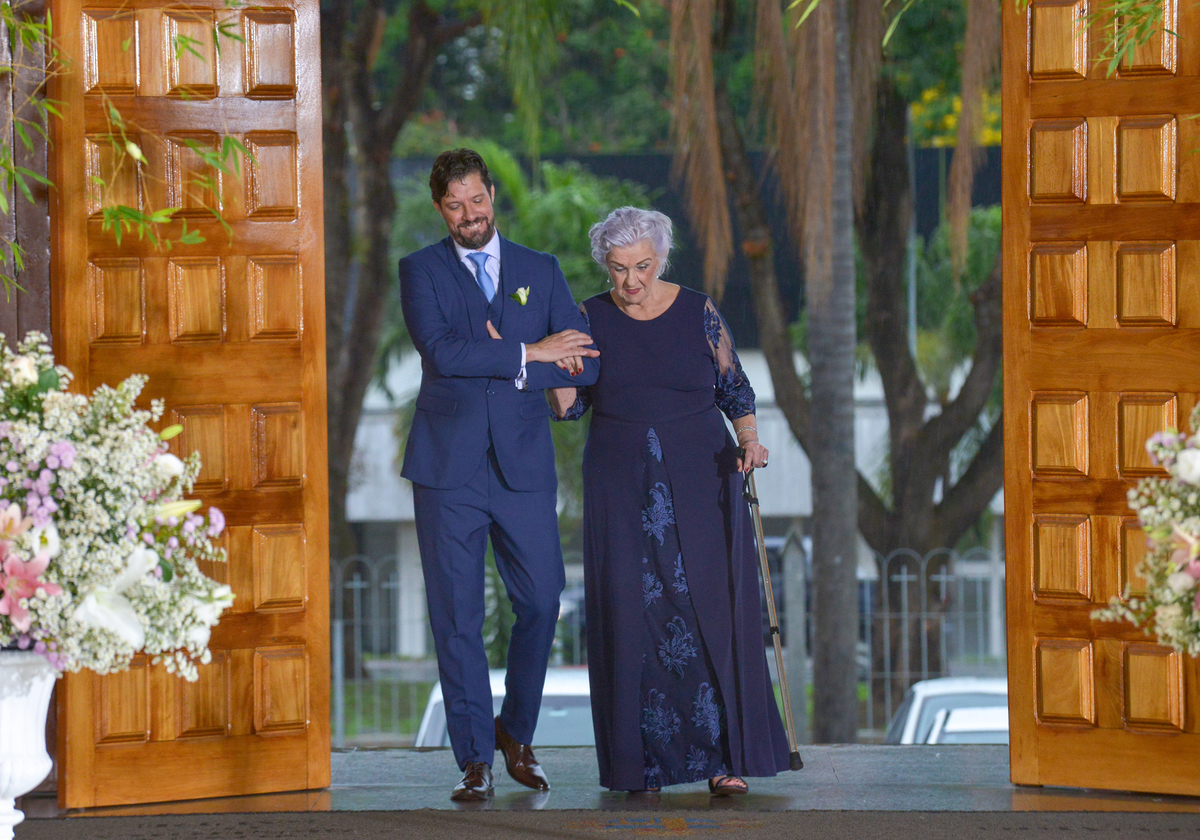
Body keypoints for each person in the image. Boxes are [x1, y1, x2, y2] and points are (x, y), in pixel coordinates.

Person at [548, 206, 790, 795]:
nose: (631, 282)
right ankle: (644, 766)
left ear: (661, 259)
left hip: (703, 473)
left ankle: (723, 759)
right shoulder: (588, 316)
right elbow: (570, 407)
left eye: (643, 266)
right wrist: (551, 364)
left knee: (709, 608)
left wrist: (751, 442)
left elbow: (735, 387)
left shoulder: (698, 309)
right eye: (618, 269)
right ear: (606, 266)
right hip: (618, 479)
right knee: (635, 615)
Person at [399, 148, 599, 802]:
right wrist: (529, 351)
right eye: (454, 206)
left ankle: (515, 733)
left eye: (476, 201)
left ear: (492, 196)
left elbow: (583, 361)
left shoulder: (540, 271)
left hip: (522, 467)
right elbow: (442, 352)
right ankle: (474, 759)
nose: (468, 215)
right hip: (446, 469)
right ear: (440, 209)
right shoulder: (420, 272)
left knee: (542, 599)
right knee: (456, 616)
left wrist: (527, 361)